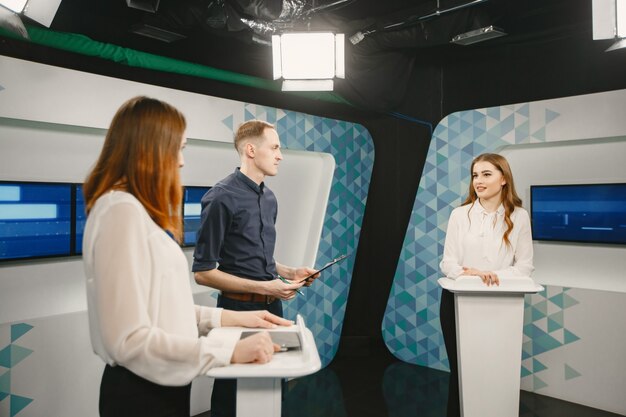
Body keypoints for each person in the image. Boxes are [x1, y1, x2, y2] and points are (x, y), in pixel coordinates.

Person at [82, 97, 292, 417]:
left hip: (163, 385)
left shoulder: (132, 210)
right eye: (178, 148)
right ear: (149, 149)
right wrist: (228, 349)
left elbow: (162, 306)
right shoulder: (120, 212)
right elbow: (128, 340)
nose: (181, 162)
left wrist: (233, 320)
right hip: (141, 393)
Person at [192, 120, 319, 417]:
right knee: (231, 399)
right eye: (274, 147)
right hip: (237, 310)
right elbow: (203, 271)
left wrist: (289, 272)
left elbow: (255, 257)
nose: (280, 155)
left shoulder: (270, 198)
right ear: (251, 149)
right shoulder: (221, 197)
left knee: (274, 392)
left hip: (273, 309)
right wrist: (265, 286)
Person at [438, 153, 534, 417]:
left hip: (502, 305)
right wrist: (475, 275)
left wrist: (491, 274)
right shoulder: (460, 214)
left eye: (486, 174)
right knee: (463, 373)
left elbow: (525, 267)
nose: (478, 181)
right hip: (458, 303)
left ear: (504, 179)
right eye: (475, 175)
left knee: (496, 373)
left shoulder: (520, 216)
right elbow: (448, 264)